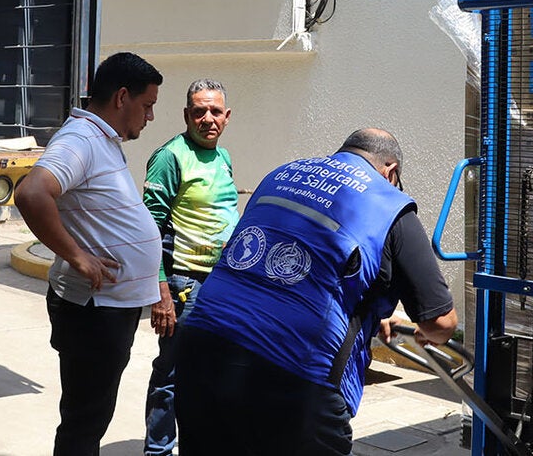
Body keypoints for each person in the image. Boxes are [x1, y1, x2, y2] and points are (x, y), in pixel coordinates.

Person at [173, 128, 458, 455]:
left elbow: (277, 266)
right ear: (390, 171)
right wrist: (428, 334)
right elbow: (441, 321)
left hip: (202, 351)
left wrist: (373, 314)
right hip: (297, 380)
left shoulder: (280, 175)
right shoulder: (390, 203)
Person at [14, 51, 164, 456]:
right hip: (94, 309)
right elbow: (31, 192)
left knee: (91, 418)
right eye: (147, 105)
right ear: (121, 97)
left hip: (109, 308)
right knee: (85, 421)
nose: (149, 117)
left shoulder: (102, 140)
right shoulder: (81, 140)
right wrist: (78, 256)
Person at [142, 79, 241, 456]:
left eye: (215, 111)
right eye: (199, 111)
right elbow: (149, 229)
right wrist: (160, 291)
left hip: (222, 284)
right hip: (184, 283)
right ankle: (159, 451)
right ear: (186, 115)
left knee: (212, 374)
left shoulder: (224, 157)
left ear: (227, 116)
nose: (207, 118)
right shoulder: (171, 156)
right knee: (172, 375)